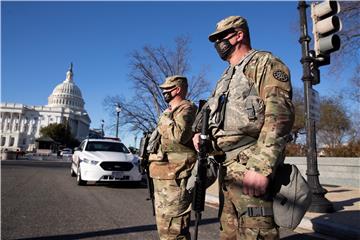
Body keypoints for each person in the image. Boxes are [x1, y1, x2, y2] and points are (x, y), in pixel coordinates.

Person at [192, 16, 294, 240]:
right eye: (215, 39)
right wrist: (201, 135)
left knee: (255, 233)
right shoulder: (225, 77)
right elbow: (214, 116)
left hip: (250, 164)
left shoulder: (264, 63)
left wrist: (261, 166)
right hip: (226, 168)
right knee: (229, 234)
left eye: (222, 37)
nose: (218, 43)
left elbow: (280, 115)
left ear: (239, 35)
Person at [148, 75, 197, 240]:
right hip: (162, 175)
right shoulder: (168, 112)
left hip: (176, 176)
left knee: (175, 230)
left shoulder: (187, 108)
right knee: (164, 227)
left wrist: (166, 118)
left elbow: (179, 135)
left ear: (177, 89)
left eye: (167, 89)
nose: (164, 92)